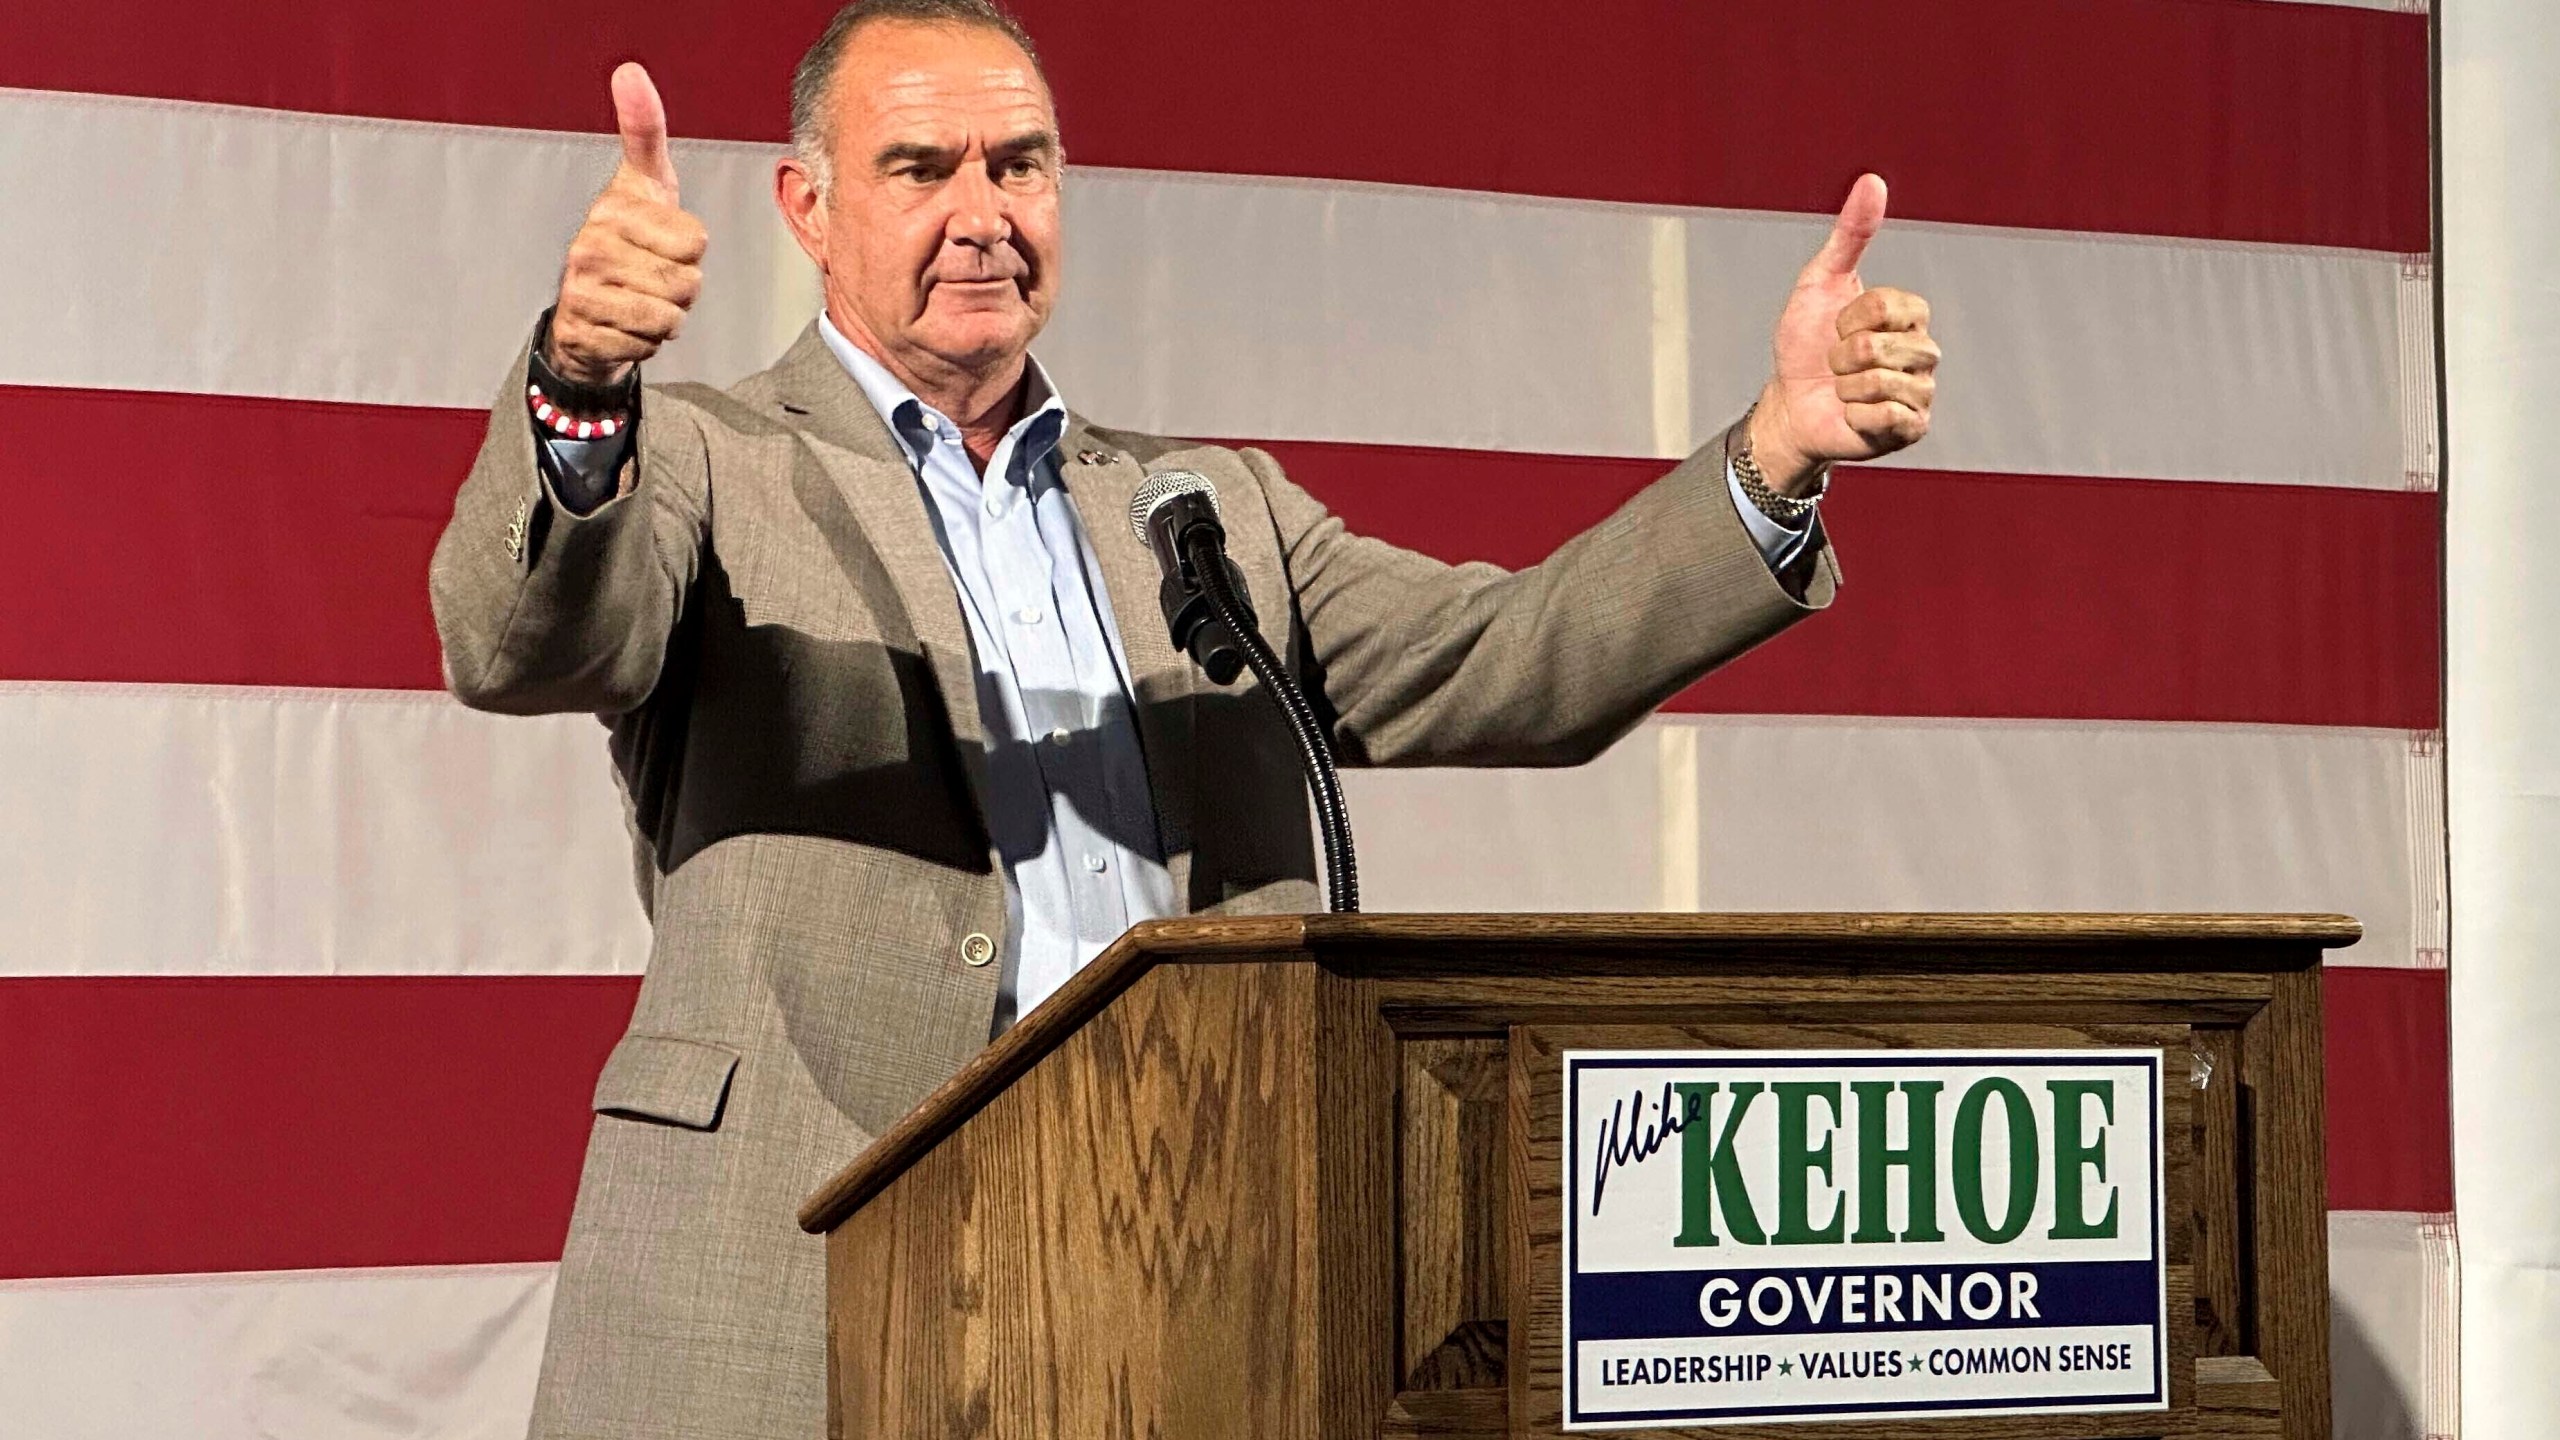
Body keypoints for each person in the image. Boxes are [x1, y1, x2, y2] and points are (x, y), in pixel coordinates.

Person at [428, 2, 1939, 1434]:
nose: (983, 211)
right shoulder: (702, 461)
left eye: (1019, 164)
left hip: (1182, 1262)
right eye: (920, 166)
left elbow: (1518, 661)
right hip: (798, 1271)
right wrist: (578, 387)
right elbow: (521, 640)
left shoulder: (1206, 511)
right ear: (809, 209)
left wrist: (1776, 454)